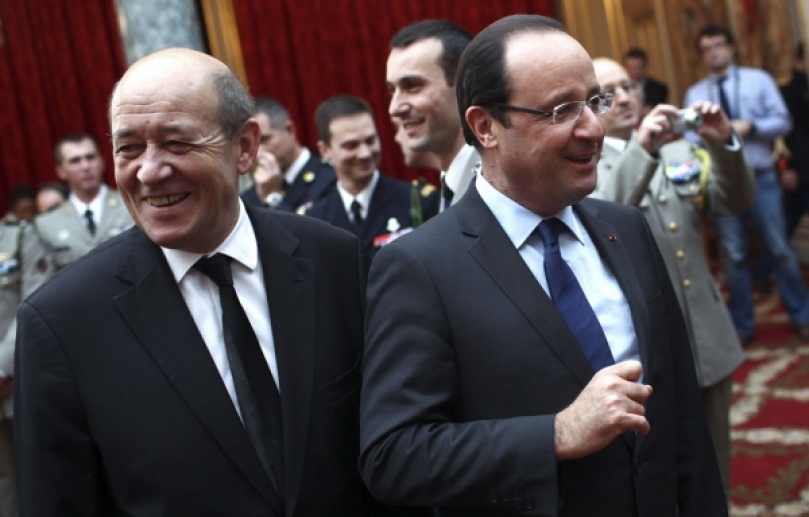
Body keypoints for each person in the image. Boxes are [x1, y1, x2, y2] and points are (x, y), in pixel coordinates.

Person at [360, 15, 726, 516]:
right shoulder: (418, 266)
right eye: (561, 110)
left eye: (595, 101)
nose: (595, 127)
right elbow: (394, 457)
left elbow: (681, 411)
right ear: (485, 126)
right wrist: (555, 434)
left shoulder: (627, 228)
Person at [15, 48, 384, 516]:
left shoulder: (335, 262)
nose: (149, 171)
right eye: (128, 148)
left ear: (246, 146)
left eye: (177, 142)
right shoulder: (63, 324)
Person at [590, 57, 753, 493]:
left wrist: (723, 145)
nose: (625, 97)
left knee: (717, 460)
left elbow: (732, 200)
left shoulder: (679, 151)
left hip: (706, 330)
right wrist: (642, 150)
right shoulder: (586, 168)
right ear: (588, 106)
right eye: (608, 93)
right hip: (645, 352)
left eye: (628, 86)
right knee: (661, 469)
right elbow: (604, 220)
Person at [684, 25, 809, 343]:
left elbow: (784, 120)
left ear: (731, 47)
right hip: (722, 184)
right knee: (734, 256)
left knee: (779, 249)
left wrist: (750, 126)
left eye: (718, 45)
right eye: (706, 48)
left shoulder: (759, 80)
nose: (713, 52)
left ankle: (802, 316)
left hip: (762, 177)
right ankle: (742, 327)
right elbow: (687, 138)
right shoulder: (695, 94)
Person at [300, 95, 439, 260]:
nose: (365, 153)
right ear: (325, 151)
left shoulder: (418, 200)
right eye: (351, 146)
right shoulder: (312, 220)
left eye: (370, 141)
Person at [387, 19, 479, 210]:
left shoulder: (498, 186)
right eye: (392, 90)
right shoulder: (452, 187)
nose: (394, 108)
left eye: (413, 86)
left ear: (464, 83)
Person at [0, 215, 52, 517]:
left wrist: (4, 367)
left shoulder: (19, 237)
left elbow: (35, 299)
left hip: (23, 376)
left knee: (43, 473)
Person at [34, 133, 133, 270]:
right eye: (75, 161)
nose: (85, 166)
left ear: (102, 162)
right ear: (61, 171)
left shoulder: (130, 204)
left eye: (90, 157)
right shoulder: (47, 224)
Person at [241, 97, 336, 211]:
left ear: (290, 130)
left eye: (264, 140)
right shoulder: (248, 199)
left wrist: (272, 197)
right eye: (250, 145)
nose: (258, 154)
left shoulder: (331, 178)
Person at [623, 47, 669, 117]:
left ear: (645, 66)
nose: (635, 71)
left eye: (638, 67)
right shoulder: (620, 90)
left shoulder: (659, 89)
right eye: (631, 67)